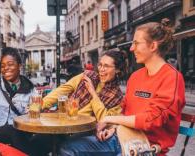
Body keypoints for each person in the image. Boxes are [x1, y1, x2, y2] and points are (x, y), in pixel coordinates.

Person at [59, 18, 185, 156]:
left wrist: (109, 119)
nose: (131, 48)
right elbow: (125, 111)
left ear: (153, 46)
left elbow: (152, 120)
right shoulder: (135, 77)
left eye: (136, 43)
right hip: (122, 138)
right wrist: (114, 128)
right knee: (66, 145)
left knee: (70, 147)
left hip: (145, 147)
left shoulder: (171, 77)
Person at [43, 50, 127, 122]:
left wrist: (93, 93)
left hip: (85, 132)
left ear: (117, 69)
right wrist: (40, 105)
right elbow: (62, 90)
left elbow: (105, 120)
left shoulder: (117, 98)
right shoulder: (87, 76)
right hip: (65, 122)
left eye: (106, 66)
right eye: (100, 65)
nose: (101, 69)